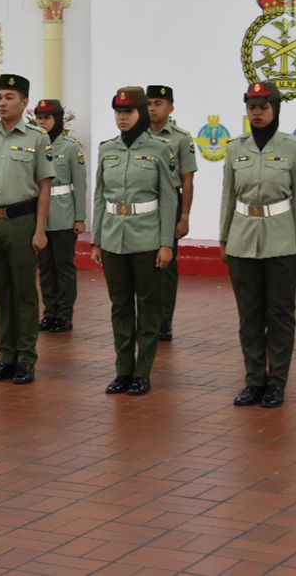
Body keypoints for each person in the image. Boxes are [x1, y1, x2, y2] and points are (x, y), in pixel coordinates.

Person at [219, 80, 296, 408]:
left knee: (280, 315)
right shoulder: (235, 147)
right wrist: (224, 238)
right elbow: (228, 196)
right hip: (242, 240)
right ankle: (254, 380)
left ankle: (277, 382)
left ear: (275, 109)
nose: (256, 113)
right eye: (251, 107)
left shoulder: (293, 148)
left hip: (283, 242)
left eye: (263, 107)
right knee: (249, 315)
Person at [91, 87, 177, 396]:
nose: (122, 117)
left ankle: (143, 371)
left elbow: (169, 200)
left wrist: (166, 243)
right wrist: (97, 240)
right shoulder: (107, 149)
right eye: (118, 112)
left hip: (147, 237)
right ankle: (123, 370)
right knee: (120, 306)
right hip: (114, 237)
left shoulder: (159, 149)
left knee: (149, 306)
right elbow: (100, 197)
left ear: (140, 113)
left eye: (128, 112)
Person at [0, 74, 54, 386]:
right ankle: (5, 355)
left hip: (22, 222)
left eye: (9, 98)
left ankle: (25, 358)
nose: (2, 103)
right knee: (0, 293)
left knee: (24, 293)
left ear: (24, 104)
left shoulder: (37, 138)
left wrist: (39, 230)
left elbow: (44, 187)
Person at [147, 85, 198, 341]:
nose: (152, 108)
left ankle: (164, 319)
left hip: (170, 204)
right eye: (149, 103)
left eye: (158, 103)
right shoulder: (137, 134)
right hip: (142, 204)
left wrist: (184, 216)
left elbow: (187, 180)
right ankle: (147, 317)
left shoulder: (181, 138)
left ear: (171, 108)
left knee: (166, 263)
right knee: (143, 262)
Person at [34, 98, 85, 333]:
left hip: (64, 214)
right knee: (45, 267)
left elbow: (80, 184)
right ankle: (50, 312)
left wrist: (80, 217)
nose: (42, 122)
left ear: (58, 120)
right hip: (39, 217)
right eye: (39, 118)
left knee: (63, 266)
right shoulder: (32, 144)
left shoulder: (71, 148)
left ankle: (65, 314)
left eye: (47, 118)